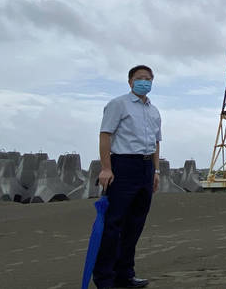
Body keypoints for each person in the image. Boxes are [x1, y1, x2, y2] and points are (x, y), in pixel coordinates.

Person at [93, 65, 161, 289]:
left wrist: (156, 170)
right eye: (140, 78)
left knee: (135, 225)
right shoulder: (118, 104)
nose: (144, 82)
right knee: (113, 225)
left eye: (148, 79)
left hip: (145, 168)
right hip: (123, 165)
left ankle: (125, 274)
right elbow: (105, 135)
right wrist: (106, 168)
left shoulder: (154, 111)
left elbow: (156, 142)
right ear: (130, 82)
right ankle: (105, 278)